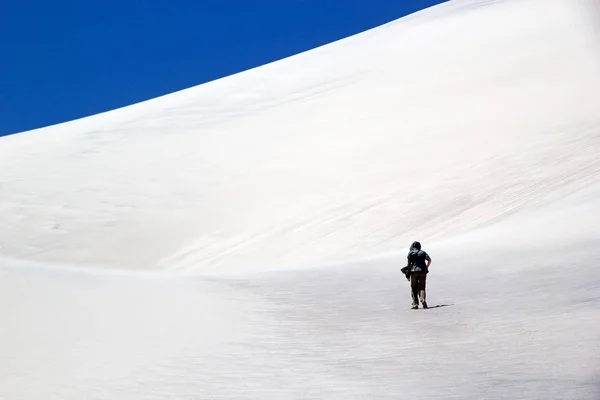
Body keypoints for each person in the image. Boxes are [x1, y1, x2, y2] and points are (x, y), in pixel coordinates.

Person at [404, 241, 431, 309]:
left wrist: (407, 275)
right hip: (422, 272)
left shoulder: (410, 253)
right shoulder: (422, 252)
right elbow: (429, 260)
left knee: (413, 288)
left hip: (413, 272)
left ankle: (415, 304)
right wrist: (426, 267)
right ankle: (423, 299)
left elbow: (409, 265)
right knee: (422, 287)